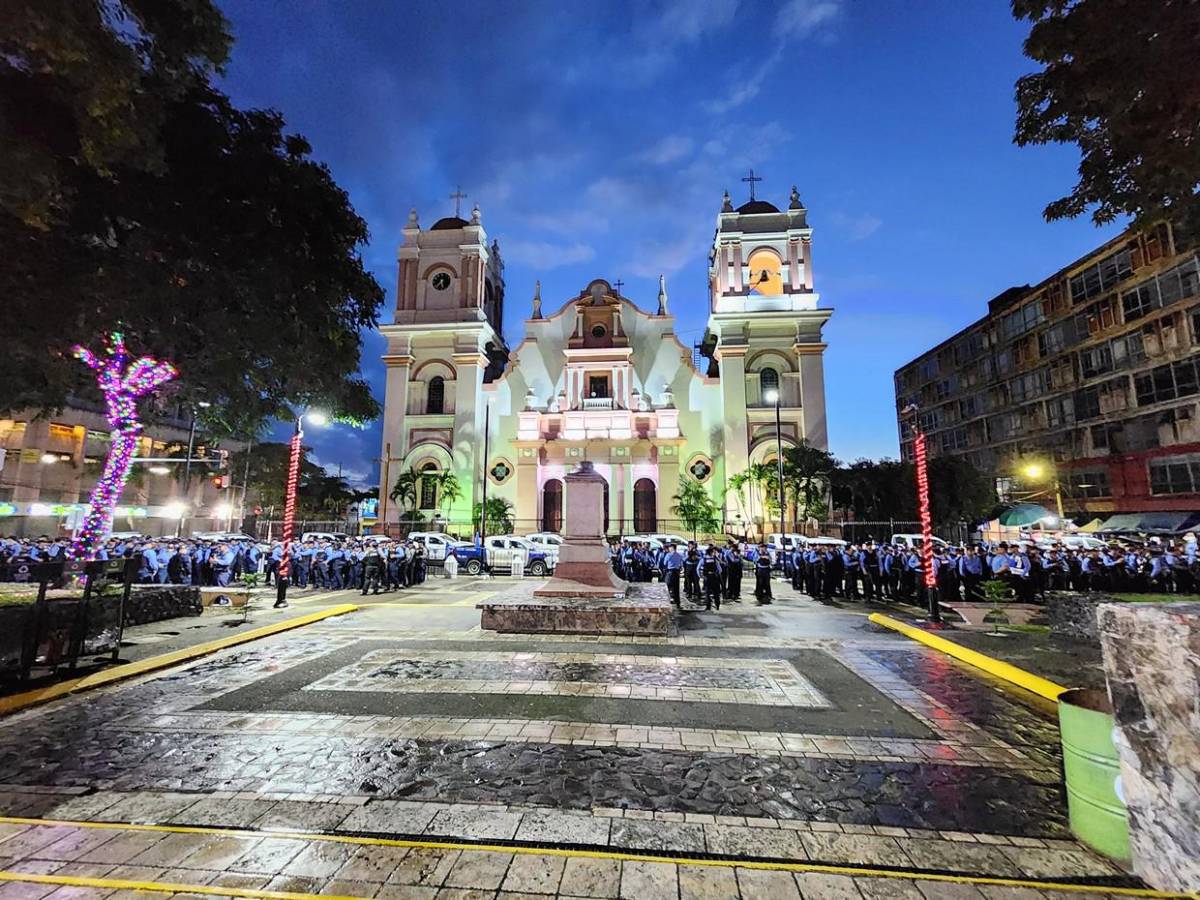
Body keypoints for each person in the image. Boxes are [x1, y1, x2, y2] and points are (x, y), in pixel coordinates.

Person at [701, 546, 723, 611]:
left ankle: (708, 606)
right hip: (714, 577)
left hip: (707, 577)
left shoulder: (703, 559)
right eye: (713, 552)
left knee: (707, 592)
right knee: (716, 592)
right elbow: (720, 569)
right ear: (711, 552)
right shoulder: (715, 559)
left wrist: (701, 576)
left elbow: (698, 568)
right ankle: (717, 604)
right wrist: (717, 574)